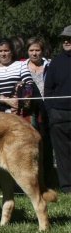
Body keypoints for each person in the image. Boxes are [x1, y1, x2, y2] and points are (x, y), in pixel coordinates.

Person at [25, 36, 55, 188]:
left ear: (42, 51)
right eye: (31, 50)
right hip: (31, 111)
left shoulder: (50, 65)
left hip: (49, 108)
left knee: (48, 145)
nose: (34, 53)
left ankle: (49, 179)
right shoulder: (22, 66)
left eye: (37, 50)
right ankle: (34, 181)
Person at [44, 25, 71, 194]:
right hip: (59, 116)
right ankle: (67, 187)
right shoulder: (55, 62)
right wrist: (51, 111)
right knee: (62, 154)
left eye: (70, 38)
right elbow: (48, 89)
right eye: (64, 39)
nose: (66, 41)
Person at [0, 38, 35, 114]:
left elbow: (29, 85)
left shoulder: (21, 65)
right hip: (1, 112)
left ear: (12, 52)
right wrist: (7, 100)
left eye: (6, 51)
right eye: (0, 51)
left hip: (20, 111)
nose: (3, 54)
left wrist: (17, 105)